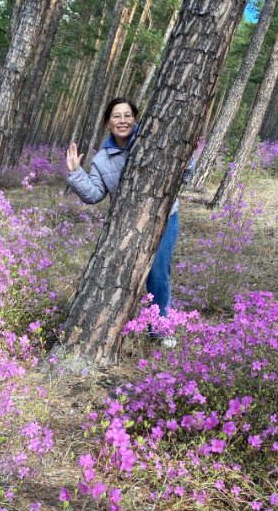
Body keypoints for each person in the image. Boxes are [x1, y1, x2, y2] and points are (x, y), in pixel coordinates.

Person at [66, 97, 193, 348]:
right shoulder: (102, 159)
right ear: (108, 123)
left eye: (127, 115)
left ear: (135, 118)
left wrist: (188, 155)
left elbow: (183, 177)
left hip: (164, 217)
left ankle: (159, 327)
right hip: (127, 224)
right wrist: (75, 173)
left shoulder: (154, 141)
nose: (122, 120)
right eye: (116, 116)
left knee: (158, 273)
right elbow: (93, 195)